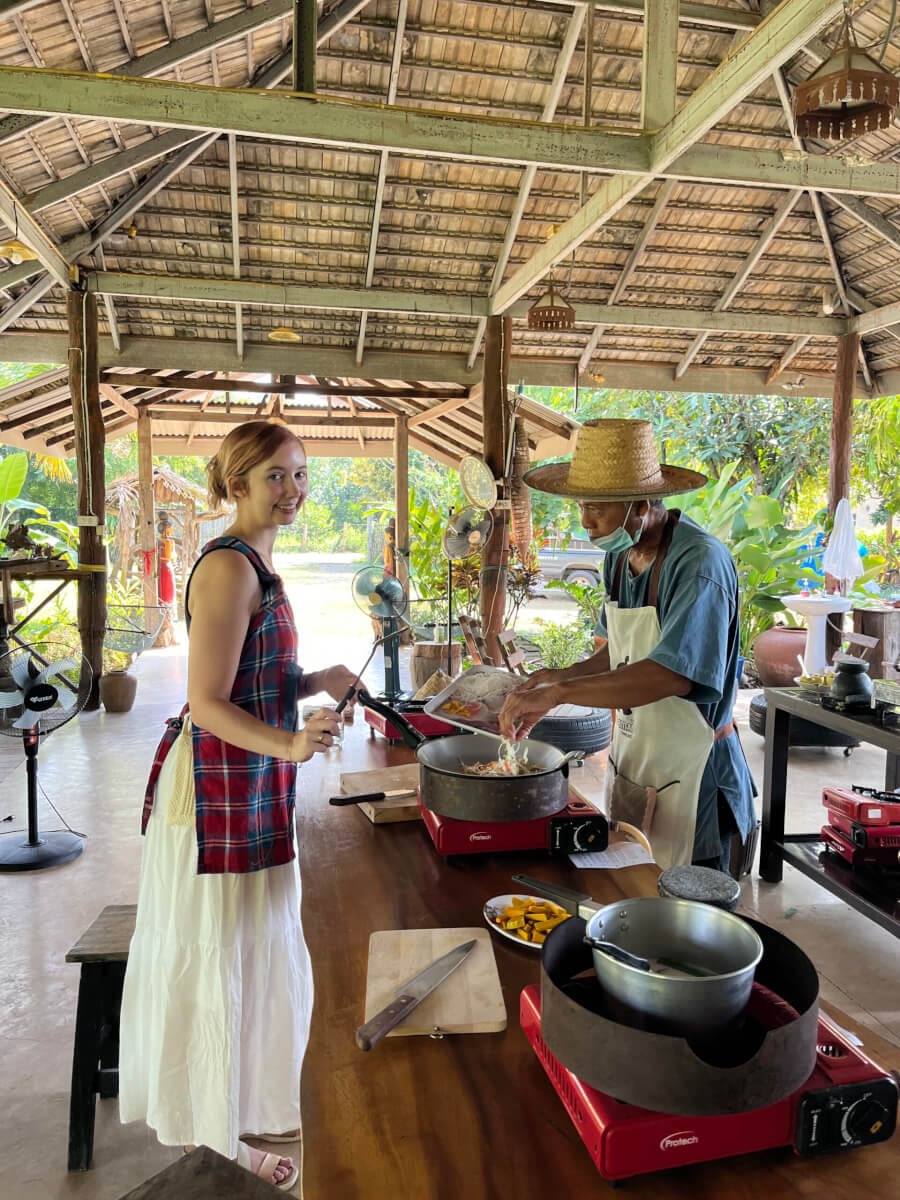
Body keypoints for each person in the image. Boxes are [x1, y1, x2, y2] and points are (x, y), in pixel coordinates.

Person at [119, 420, 359, 1190]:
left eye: (299, 474)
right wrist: (291, 745)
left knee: (254, 941)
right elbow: (207, 702)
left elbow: (253, 681)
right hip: (213, 789)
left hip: (246, 781)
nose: (292, 491)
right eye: (274, 477)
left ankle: (246, 1097)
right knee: (215, 951)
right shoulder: (229, 569)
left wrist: (315, 677)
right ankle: (215, 1128)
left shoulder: (262, 563)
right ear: (237, 485)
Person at [499, 418, 756, 876]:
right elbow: (615, 652)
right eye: (580, 506)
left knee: (690, 923)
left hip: (697, 775)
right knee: (635, 893)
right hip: (637, 765)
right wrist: (555, 677)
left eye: (597, 507)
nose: (586, 521)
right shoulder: (620, 555)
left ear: (641, 504)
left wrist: (559, 694)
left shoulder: (698, 562)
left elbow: (671, 673)